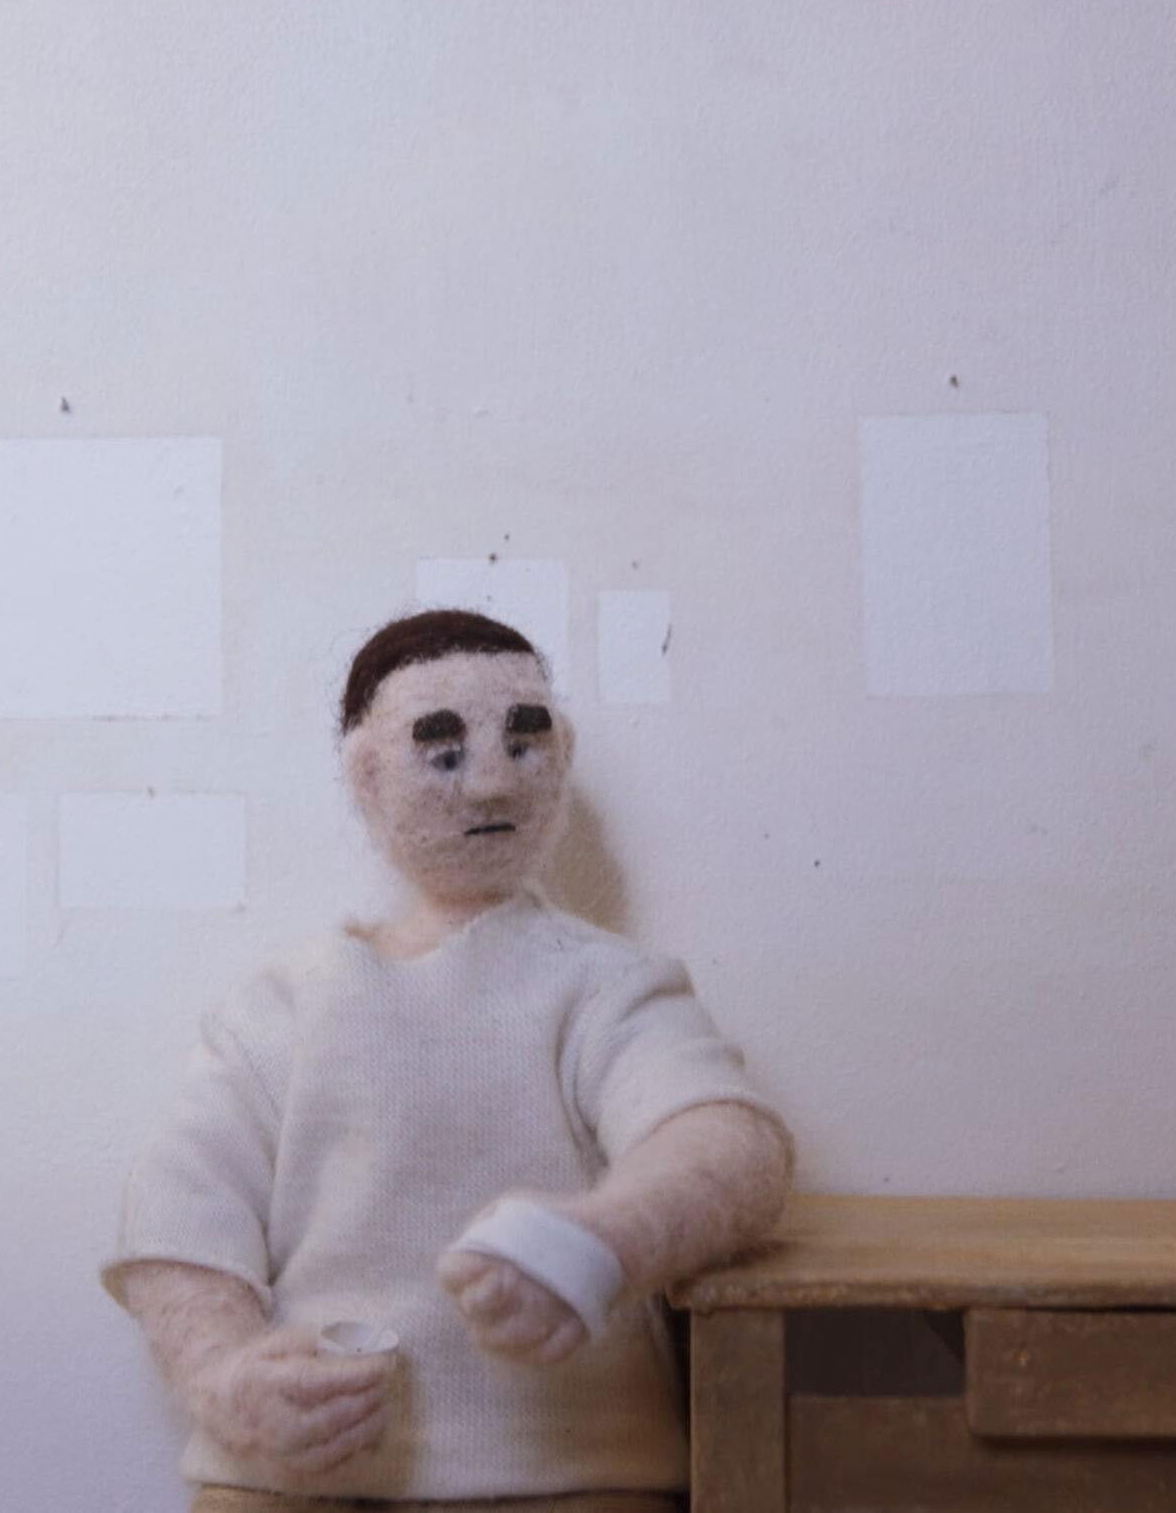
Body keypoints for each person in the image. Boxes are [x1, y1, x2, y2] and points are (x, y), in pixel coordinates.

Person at [102, 609, 793, 1510]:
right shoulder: (281, 1007)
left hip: (567, 1472)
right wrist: (223, 1371)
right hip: (298, 1477)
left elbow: (725, 1142)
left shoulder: (605, 987)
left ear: (561, 753)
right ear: (369, 774)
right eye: (445, 752)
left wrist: (609, 1238)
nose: (492, 784)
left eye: (523, 742)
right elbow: (177, 1214)